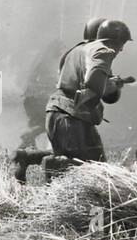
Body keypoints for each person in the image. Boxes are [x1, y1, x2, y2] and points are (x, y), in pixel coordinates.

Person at [12, 18, 106, 182]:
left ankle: (27, 154)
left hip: (52, 103)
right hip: (61, 106)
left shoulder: (72, 55)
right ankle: (29, 151)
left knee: (74, 151)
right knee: (81, 155)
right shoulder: (86, 56)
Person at [41, 19, 133, 180]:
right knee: (91, 170)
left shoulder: (74, 51)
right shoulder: (103, 51)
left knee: (93, 166)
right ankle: (51, 164)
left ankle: (29, 157)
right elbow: (94, 84)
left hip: (59, 112)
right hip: (72, 117)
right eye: (122, 43)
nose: (122, 49)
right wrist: (110, 85)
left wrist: (110, 84)